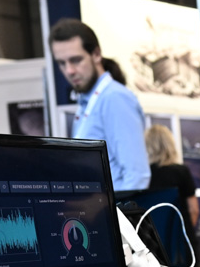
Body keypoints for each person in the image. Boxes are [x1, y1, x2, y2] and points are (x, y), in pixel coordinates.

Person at [50, 19, 150, 192]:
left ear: (96, 54)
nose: (69, 70)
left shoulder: (114, 98)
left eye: (76, 60)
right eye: (62, 63)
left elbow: (137, 176)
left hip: (115, 207)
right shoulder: (88, 102)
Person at [143, 124, 199, 267]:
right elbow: (194, 210)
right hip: (180, 248)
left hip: (149, 247)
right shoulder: (181, 172)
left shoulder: (142, 176)